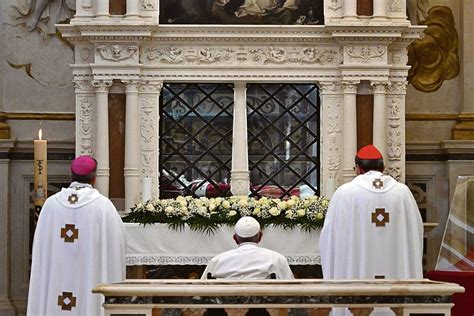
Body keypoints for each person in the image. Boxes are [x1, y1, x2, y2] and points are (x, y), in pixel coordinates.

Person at [27, 156, 126, 316]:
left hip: (57, 276)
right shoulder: (103, 206)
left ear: (70, 175)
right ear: (94, 178)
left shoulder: (51, 204)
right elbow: (116, 245)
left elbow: (41, 249)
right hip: (89, 275)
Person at [319, 144, 424, 280]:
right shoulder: (402, 193)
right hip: (397, 280)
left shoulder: (345, 193)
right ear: (383, 168)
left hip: (355, 281)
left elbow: (330, 236)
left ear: (358, 168)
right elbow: (415, 232)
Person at [201, 216, 294, 279]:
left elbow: (202, 289)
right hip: (263, 307)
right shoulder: (277, 259)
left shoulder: (217, 261)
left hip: (226, 307)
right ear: (260, 237)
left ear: (235, 239)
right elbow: (291, 288)